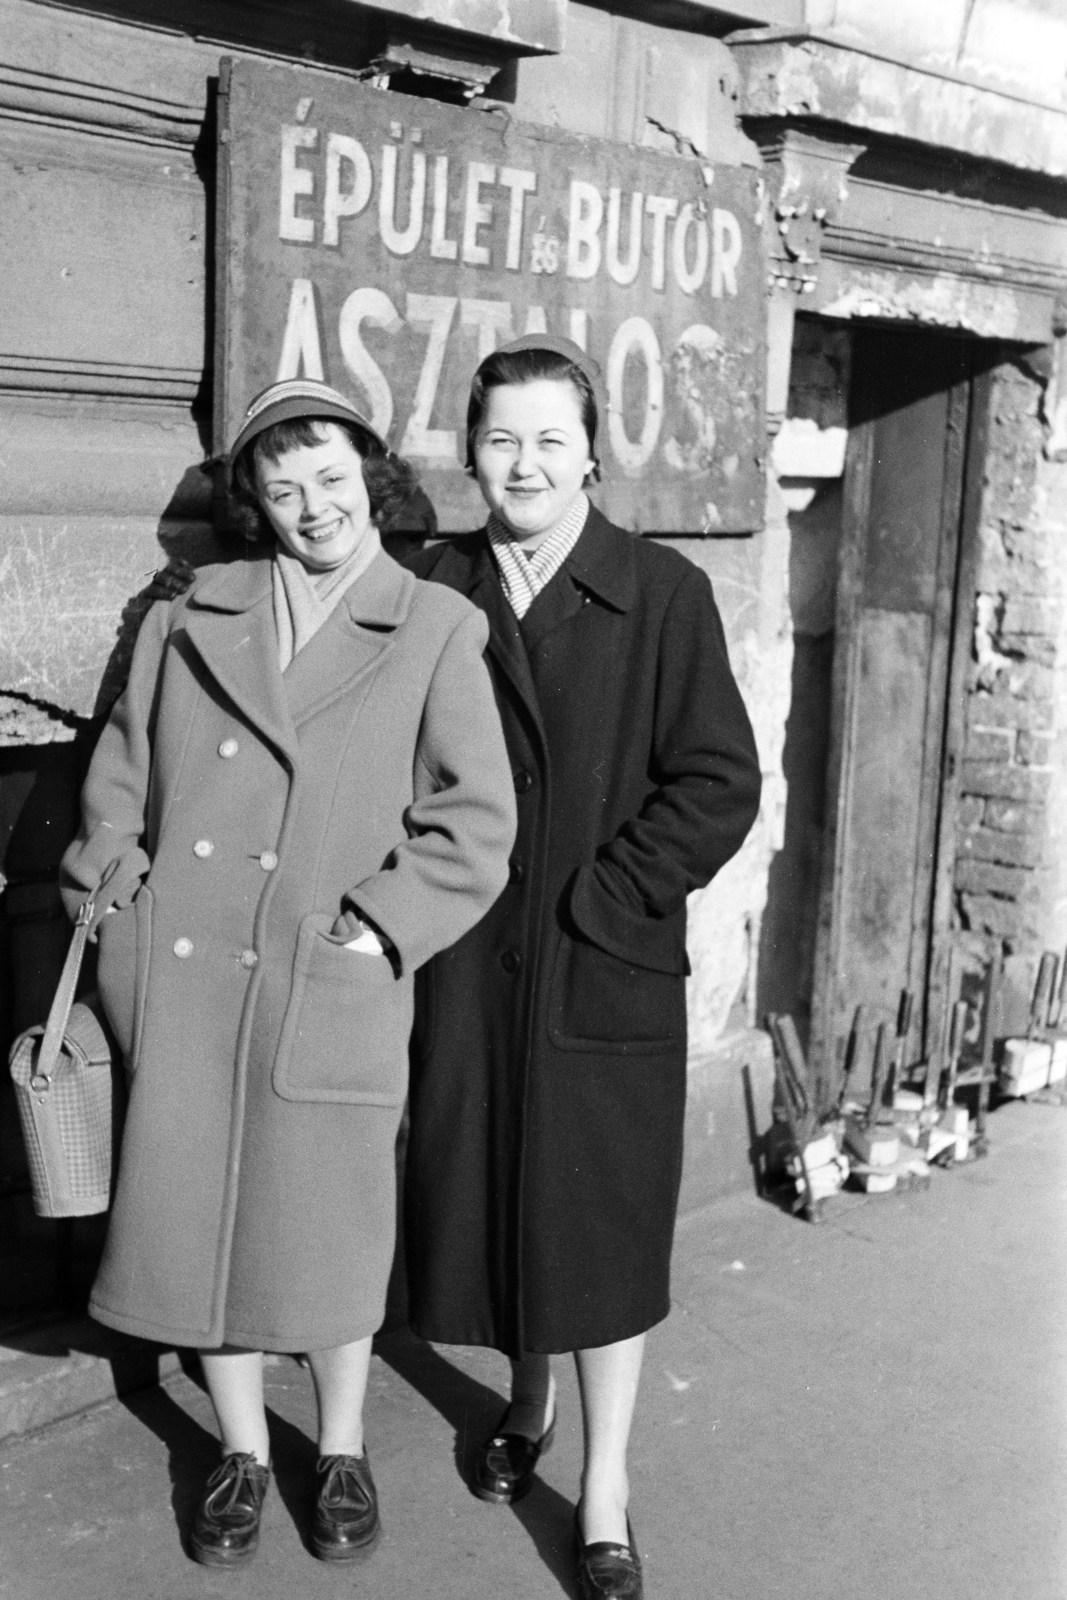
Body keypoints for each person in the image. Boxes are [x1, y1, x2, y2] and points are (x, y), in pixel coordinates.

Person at [59, 378, 516, 1569]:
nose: (312, 506)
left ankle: (346, 1446)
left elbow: (472, 825)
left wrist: (374, 930)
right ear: (253, 502)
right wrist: (116, 894)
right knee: (195, 1218)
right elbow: (114, 780)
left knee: (326, 1231)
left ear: (369, 476)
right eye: (281, 484)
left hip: (328, 978)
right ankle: (246, 1453)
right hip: (190, 970)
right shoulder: (183, 616)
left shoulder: (431, 627)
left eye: (330, 477)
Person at [403, 335, 762, 1600]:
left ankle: (602, 1483)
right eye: (501, 438)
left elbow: (719, 781)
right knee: (498, 1196)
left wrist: (603, 897)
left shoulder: (658, 593)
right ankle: (524, 1397)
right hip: (467, 970)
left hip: (598, 964)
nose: (525, 463)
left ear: (593, 454)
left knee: (597, 1226)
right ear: (469, 451)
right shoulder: (435, 584)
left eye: (552, 439)